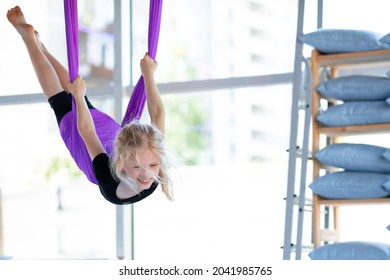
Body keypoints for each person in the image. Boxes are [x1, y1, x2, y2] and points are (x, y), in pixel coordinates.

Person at [7, 5, 174, 205]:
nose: (147, 174)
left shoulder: (112, 178)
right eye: (138, 166)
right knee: (59, 99)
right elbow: (156, 115)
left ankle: (41, 47)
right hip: (87, 133)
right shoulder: (152, 154)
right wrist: (148, 74)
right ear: (121, 161)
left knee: (76, 93)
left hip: (97, 133)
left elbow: (90, 130)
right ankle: (30, 41)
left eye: (152, 165)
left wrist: (79, 96)